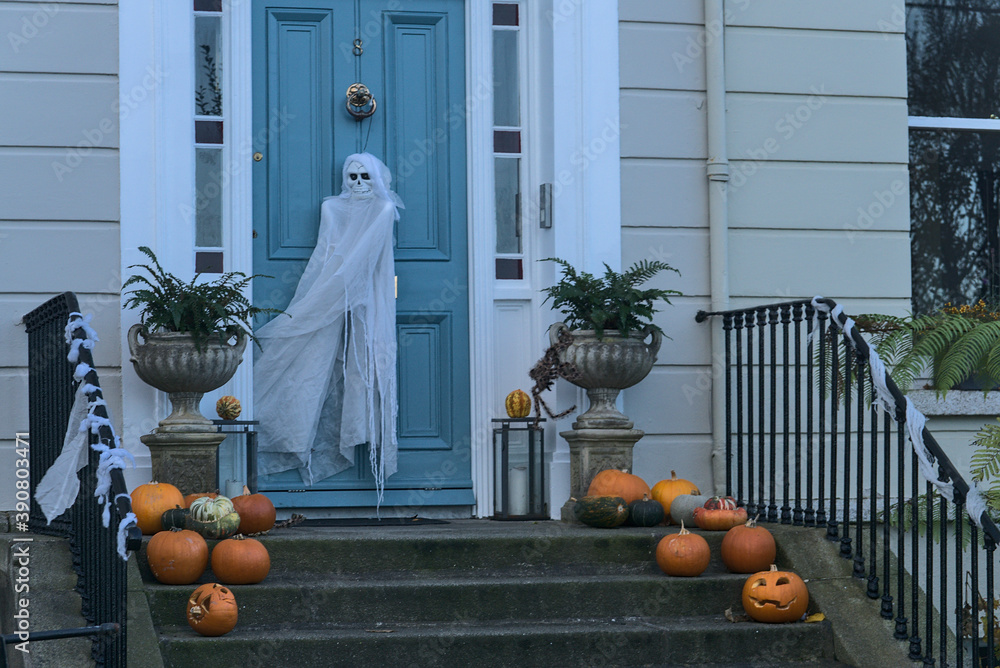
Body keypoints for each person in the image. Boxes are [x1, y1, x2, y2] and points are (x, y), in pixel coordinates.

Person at [253, 153, 403, 506]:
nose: (358, 183)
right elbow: (325, 251)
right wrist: (321, 294)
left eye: (365, 176)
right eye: (352, 177)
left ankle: (358, 430)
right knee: (311, 357)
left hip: (369, 295)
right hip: (330, 286)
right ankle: (288, 434)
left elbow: (369, 256)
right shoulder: (331, 208)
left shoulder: (384, 210)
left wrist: (349, 287)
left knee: (364, 361)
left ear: (377, 179)